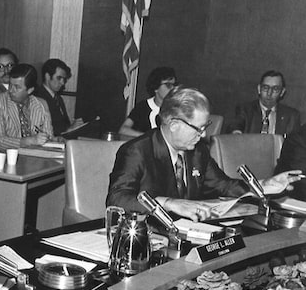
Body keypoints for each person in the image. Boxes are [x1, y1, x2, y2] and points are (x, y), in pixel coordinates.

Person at [106, 87, 302, 219]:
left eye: (205, 127)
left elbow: (223, 185)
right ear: (174, 124)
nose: (204, 134)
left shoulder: (197, 151)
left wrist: (264, 185)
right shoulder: (136, 151)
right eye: (198, 128)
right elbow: (117, 199)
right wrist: (168, 203)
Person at [0, 63, 53, 153]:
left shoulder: (41, 105)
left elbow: (49, 137)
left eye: (17, 87)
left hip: (32, 158)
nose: (11, 90)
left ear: (30, 90)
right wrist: (29, 141)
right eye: (10, 85)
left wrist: (47, 139)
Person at [225, 70, 301, 136]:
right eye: (265, 88)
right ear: (259, 89)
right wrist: (236, 133)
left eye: (275, 89)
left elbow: (295, 144)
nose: (269, 93)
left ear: (282, 92)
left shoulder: (291, 115)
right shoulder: (245, 109)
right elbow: (235, 125)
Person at [118, 67, 176, 137]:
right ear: (156, 88)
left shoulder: (177, 109)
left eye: (174, 85)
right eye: (168, 85)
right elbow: (123, 130)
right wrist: (147, 137)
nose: (172, 88)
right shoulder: (142, 107)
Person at [34, 58, 82, 136]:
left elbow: (63, 126)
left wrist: (73, 126)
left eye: (64, 79)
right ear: (47, 76)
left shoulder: (58, 99)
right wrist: (69, 129)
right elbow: (42, 131)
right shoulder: (38, 98)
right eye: (59, 78)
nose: (62, 83)